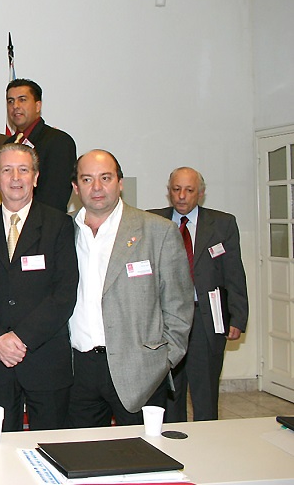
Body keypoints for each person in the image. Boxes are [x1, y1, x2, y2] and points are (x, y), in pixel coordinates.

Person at [67, 150, 193, 427]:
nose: (97, 187)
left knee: (141, 451)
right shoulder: (62, 231)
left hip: (140, 370)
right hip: (78, 371)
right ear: (76, 187)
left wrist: (162, 361)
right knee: (83, 450)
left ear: (120, 183)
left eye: (105, 178)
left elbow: (179, 305)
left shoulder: (157, 231)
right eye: (87, 179)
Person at [0, 143, 79, 431]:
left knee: (51, 449)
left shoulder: (59, 225)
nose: (15, 178)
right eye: (7, 170)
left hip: (45, 360)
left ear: (35, 177)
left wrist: (22, 338)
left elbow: (64, 293)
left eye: (23, 170)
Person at [149, 167, 248, 422]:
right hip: (165, 322)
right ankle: (173, 438)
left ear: (201, 193)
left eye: (189, 190)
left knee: (205, 392)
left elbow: (234, 272)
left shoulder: (223, 224)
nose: (182, 196)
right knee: (170, 392)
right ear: (169, 191)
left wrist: (238, 317)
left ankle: (207, 440)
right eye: (176, 189)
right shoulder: (151, 221)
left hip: (206, 319)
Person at [5, 79, 76, 211]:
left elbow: (55, 199)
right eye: (10, 101)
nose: (15, 106)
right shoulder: (7, 145)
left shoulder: (58, 142)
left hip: (44, 222)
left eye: (22, 100)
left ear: (38, 106)